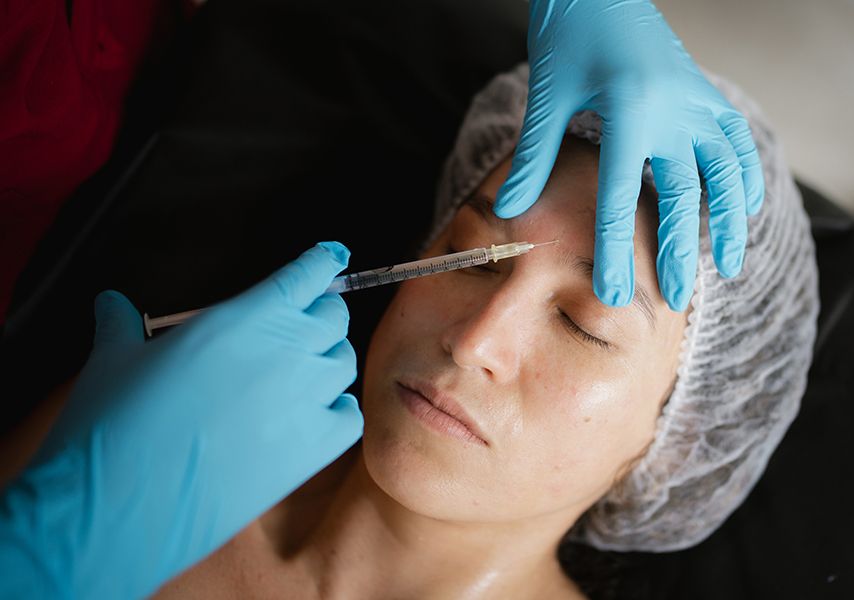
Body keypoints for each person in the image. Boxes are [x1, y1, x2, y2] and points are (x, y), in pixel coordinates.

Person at [0, 1, 770, 597]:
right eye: (468, 258)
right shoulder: (136, 446)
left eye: (584, 324)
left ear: (682, 439)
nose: (475, 341)